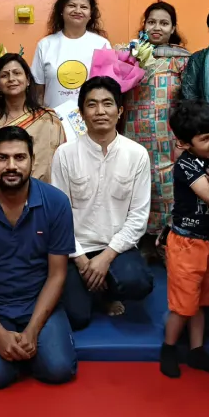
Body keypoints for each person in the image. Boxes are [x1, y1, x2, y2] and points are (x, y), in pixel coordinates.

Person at [0, 126, 77, 389]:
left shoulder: (56, 202)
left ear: (33, 160)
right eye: (2, 158)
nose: (11, 166)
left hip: (36, 301)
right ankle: (11, 348)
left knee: (58, 369)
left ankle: (29, 346)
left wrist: (32, 331)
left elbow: (57, 275)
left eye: (19, 157)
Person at [51, 77, 154, 330]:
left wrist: (106, 258)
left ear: (120, 111)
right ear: (81, 113)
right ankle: (93, 288)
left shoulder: (137, 154)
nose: (100, 111)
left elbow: (138, 218)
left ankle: (106, 287)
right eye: (92, 104)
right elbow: (58, 216)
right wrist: (82, 261)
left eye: (108, 104)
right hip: (75, 250)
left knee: (138, 282)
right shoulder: (65, 154)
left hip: (116, 248)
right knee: (77, 318)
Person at [159, 99, 209, 379]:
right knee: (183, 307)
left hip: (206, 243)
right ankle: (168, 348)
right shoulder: (186, 165)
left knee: (201, 302)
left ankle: (197, 350)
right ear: (184, 143)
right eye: (205, 138)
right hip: (186, 244)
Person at [120, 0, 190, 248]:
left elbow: (188, 102)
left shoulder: (182, 60)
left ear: (173, 28)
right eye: (152, 22)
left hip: (168, 138)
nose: (157, 27)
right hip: (132, 134)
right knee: (134, 183)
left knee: (167, 186)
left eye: (164, 23)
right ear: (144, 25)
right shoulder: (129, 56)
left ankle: (167, 242)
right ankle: (134, 242)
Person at [0, 53, 64, 185]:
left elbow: (61, 166)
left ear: (28, 80)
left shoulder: (49, 118)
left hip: (41, 194)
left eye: (17, 73)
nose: (11, 79)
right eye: (4, 75)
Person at [31, 0, 111, 109]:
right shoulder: (45, 45)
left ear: (90, 14)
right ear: (62, 10)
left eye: (84, 7)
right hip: (53, 118)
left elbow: (108, 89)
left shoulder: (102, 44)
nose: (77, 11)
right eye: (72, 5)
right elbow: (38, 92)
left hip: (91, 118)